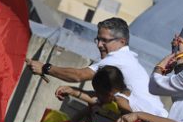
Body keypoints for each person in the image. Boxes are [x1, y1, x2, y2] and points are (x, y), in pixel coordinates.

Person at [27, 17, 163, 112]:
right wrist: (73, 91)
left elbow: (78, 76)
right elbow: (105, 98)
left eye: (104, 40)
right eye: (98, 39)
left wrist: (46, 68)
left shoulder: (117, 59)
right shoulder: (127, 58)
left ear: (122, 41)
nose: (99, 45)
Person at [59, 66, 168, 122]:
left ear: (109, 93)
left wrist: (109, 114)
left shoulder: (121, 101)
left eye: (98, 93)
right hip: (165, 121)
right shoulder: (124, 92)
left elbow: (135, 119)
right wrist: (72, 91)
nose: (96, 95)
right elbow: (94, 99)